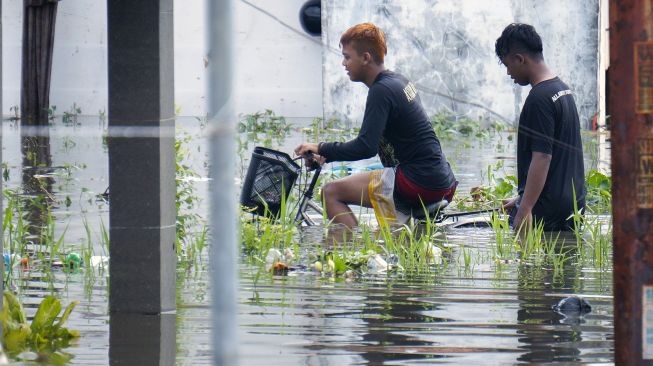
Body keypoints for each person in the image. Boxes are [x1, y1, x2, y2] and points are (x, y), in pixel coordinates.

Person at [295, 23, 456, 229]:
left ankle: (354, 253)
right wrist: (330, 154)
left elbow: (365, 146)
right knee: (394, 246)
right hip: (440, 180)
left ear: (365, 58)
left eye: (347, 57)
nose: (344, 63)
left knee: (330, 192)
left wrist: (321, 147)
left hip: (416, 181)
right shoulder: (398, 81)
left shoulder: (381, 91)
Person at [495, 23, 585, 232]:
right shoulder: (562, 90)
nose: (508, 73)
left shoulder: (539, 99)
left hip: (548, 211)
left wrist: (524, 209)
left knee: (531, 263)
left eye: (507, 65)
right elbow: (558, 160)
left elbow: (542, 158)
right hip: (573, 206)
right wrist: (521, 197)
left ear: (519, 59)